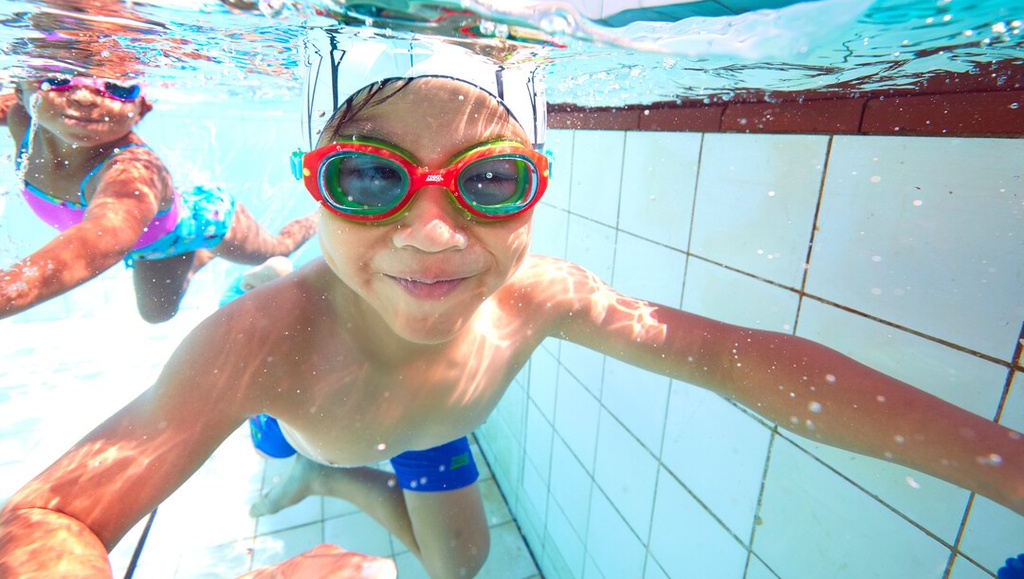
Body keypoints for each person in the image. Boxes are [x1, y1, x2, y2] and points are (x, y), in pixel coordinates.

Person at [1, 34, 1021, 579]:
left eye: (487, 183)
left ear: (537, 184)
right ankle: (297, 443)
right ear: (315, 182)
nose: (435, 234)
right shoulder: (256, 343)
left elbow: (735, 357)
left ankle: (326, 472)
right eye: (367, 180)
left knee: (460, 566)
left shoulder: (538, 291)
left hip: (415, 428)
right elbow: (45, 516)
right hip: (299, 390)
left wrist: (1005, 463)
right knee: (256, 276)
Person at [0, 74, 317, 322]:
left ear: (140, 107)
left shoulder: (130, 171)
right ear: (21, 91)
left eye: (118, 87)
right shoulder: (21, 118)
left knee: (276, 251)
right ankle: (200, 256)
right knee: (157, 315)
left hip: (206, 220)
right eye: (57, 80)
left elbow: (102, 239)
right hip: (153, 244)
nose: (83, 97)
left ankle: (318, 217)